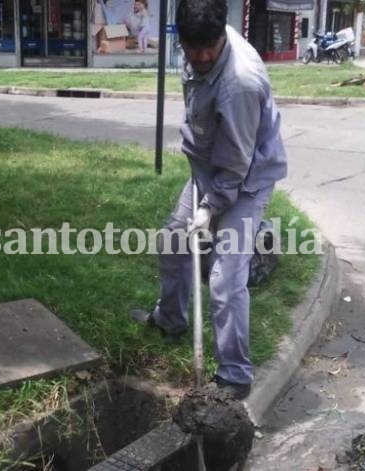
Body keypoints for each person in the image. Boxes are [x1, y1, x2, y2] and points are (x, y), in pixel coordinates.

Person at [132, 0, 287, 400]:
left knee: (225, 278)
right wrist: (201, 202)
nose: (200, 57)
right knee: (173, 241)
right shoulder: (197, 45)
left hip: (245, 179)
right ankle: (170, 319)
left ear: (224, 34)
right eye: (191, 48)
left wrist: (210, 207)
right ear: (180, 39)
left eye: (209, 49)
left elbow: (237, 165)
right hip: (208, 169)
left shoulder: (241, 83)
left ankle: (235, 374)